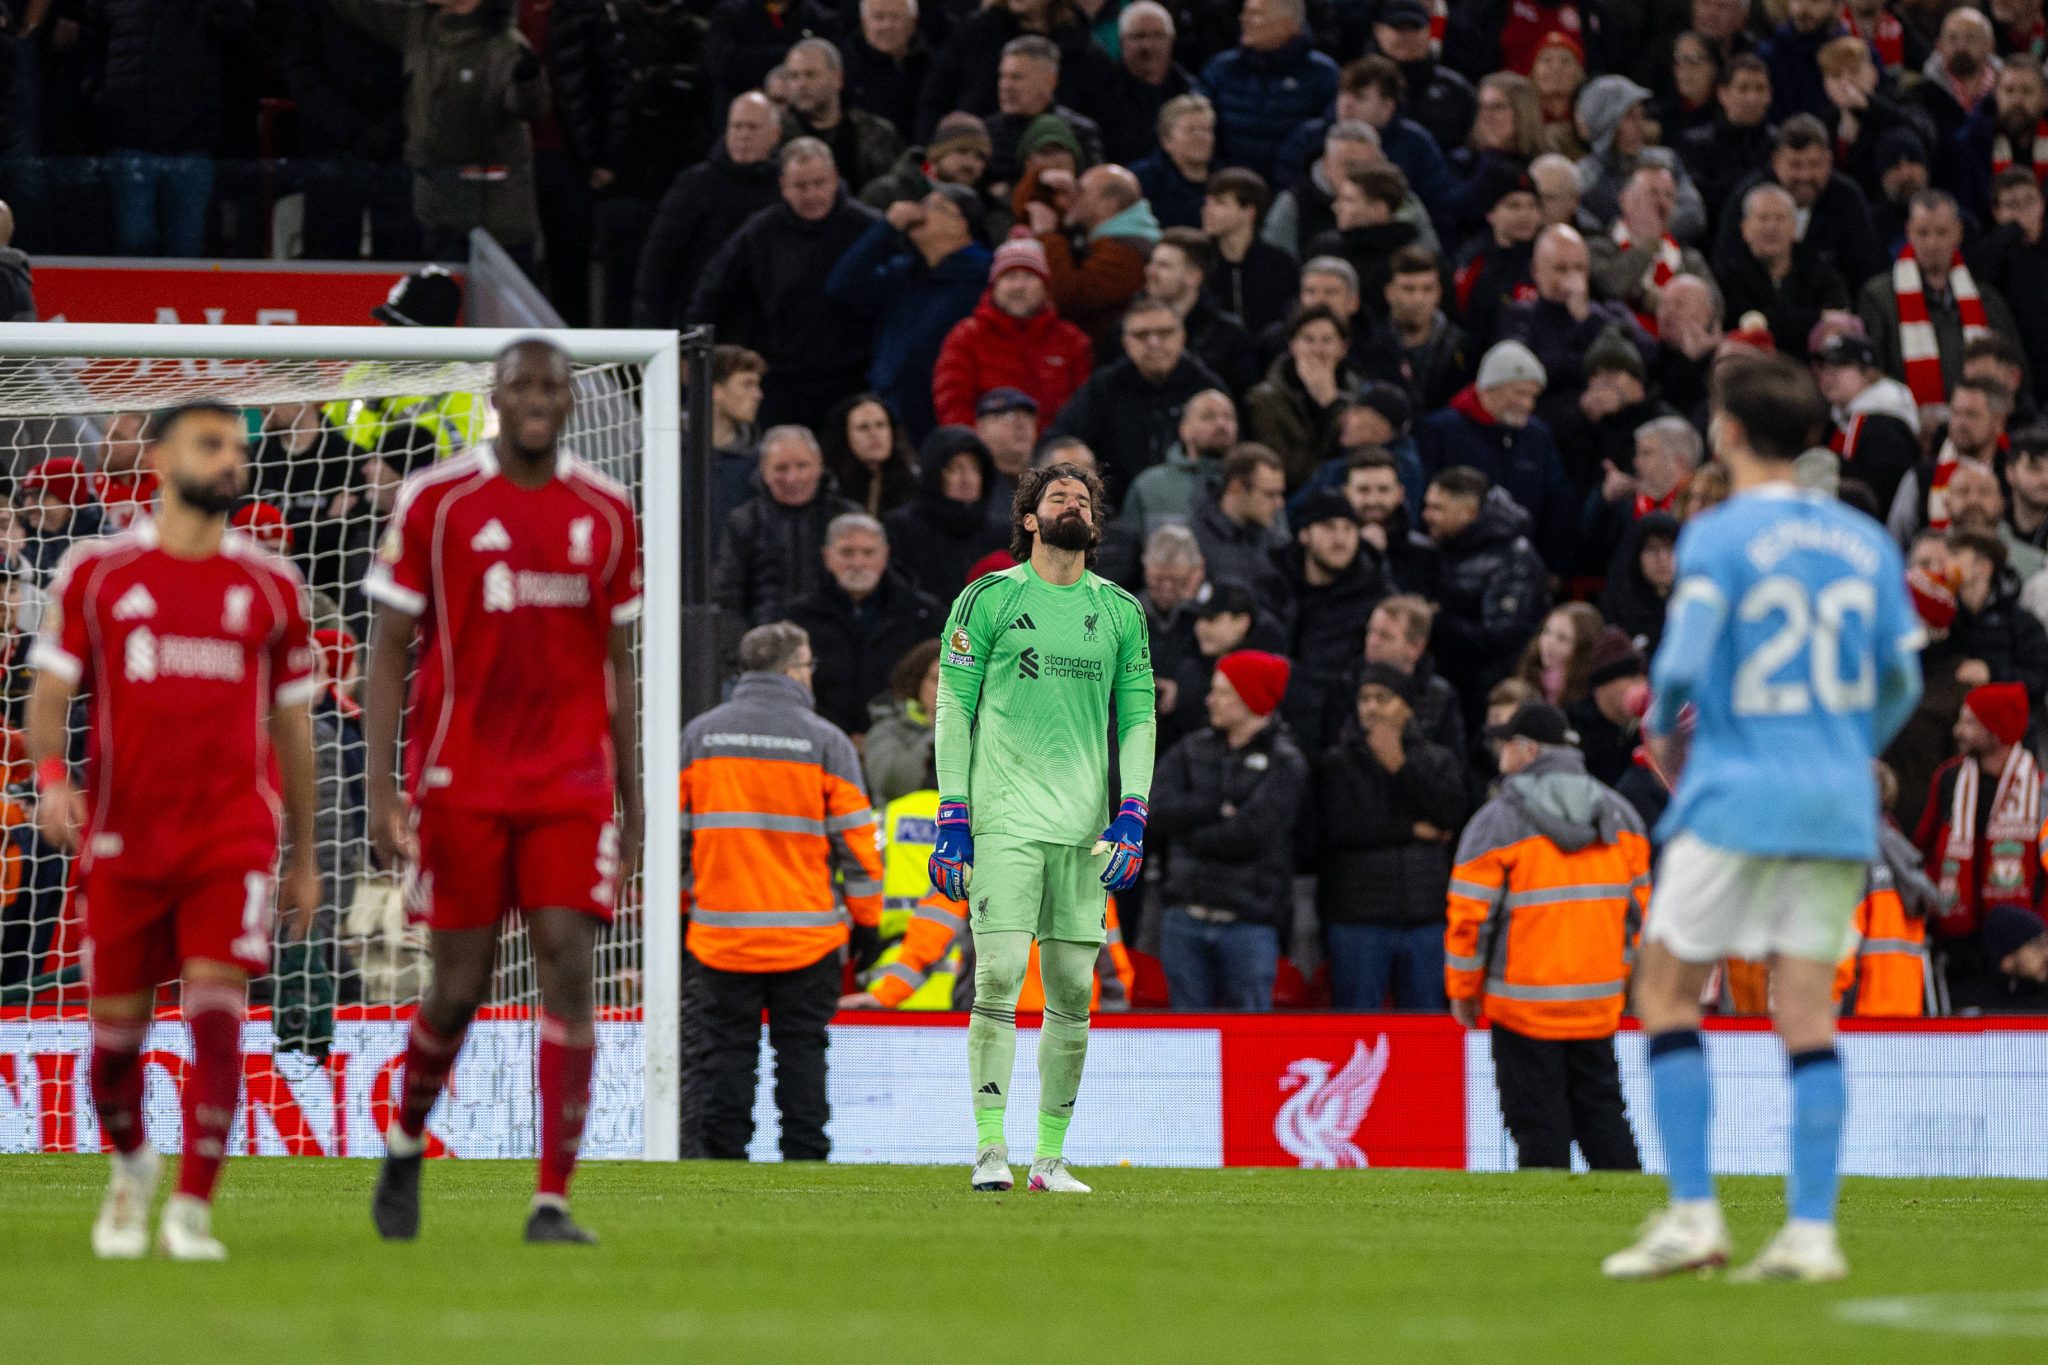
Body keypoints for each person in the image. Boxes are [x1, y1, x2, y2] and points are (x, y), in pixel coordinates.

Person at [1608, 354, 1922, 1282]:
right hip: (1835, 799)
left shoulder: (1717, 535)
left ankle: (1696, 1215)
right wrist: (1844, 740)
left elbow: (1676, 669)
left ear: (1727, 432)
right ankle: (1812, 1232)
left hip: (1738, 790)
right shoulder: (1864, 540)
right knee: (1808, 1008)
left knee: (1665, 990)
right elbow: (1902, 674)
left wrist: (1665, 738)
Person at [363, 339, 643, 1246]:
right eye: (521, 383)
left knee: (569, 963)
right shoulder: (437, 501)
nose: (536, 398)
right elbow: (387, 651)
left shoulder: (605, 510)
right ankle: (406, 1141)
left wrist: (633, 806)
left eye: (552, 386)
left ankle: (552, 1199)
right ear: (496, 395)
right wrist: (378, 790)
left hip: (571, 780)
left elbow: (619, 669)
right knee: (458, 986)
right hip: (462, 779)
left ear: (569, 401)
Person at [28, 400, 317, 1260]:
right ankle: (132, 1163)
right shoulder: (97, 572)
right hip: (124, 838)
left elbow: (294, 730)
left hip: (231, 836)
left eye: (238, 446)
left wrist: (303, 855)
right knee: (112, 1052)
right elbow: (48, 699)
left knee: (218, 1021)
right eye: (211, 442)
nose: (231, 458)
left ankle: (192, 1210)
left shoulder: (271, 585)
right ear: (157, 459)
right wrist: (51, 780)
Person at [929, 460, 1156, 1194]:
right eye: (1057, 496)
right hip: (1002, 823)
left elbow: (1140, 716)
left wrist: (1133, 810)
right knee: (997, 974)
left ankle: (1048, 1157)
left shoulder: (1120, 611)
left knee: (1072, 990)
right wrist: (953, 813)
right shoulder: (987, 598)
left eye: (1083, 498)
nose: (1072, 504)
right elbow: (952, 710)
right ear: (1029, 518)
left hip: (1084, 831)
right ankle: (990, 1147)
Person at [676, 620, 884, 1159]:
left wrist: (683, 912)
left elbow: (674, 841)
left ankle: (723, 1164)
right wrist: (867, 923)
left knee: (725, 1053)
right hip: (806, 937)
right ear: (794, 669)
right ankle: (806, 1158)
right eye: (808, 665)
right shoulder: (826, 742)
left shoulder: (701, 736)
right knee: (802, 1052)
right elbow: (859, 848)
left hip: (721, 936)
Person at [1448, 701, 1650, 1173]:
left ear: (1528, 750)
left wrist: (1463, 991)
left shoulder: (1496, 823)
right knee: (1604, 1117)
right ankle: (1632, 1223)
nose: (1500, 756)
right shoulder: (1621, 815)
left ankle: (1547, 1235)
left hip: (1521, 1005)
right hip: (1597, 1001)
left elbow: (1469, 921)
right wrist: (1621, 979)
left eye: (1505, 746)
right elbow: (1639, 915)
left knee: (1538, 1127)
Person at [332, 0, 549, 265]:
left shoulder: (503, 44)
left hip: (494, 220)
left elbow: (529, 108)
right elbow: (362, 8)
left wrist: (528, 82)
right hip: (434, 210)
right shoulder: (419, 25)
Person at [688, 138, 882, 427]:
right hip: (782, 380)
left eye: (819, 183)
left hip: (853, 379)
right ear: (783, 186)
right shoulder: (760, 231)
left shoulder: (868, 229)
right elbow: (714, 287)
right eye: (801, 187)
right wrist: (693, 350)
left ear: (835, 178)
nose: (812, 195)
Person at [1150, 649, 1304, 1010]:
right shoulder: (1190, 750)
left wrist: (1186, 833)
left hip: (1249, 923)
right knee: (1186, 1044)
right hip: (1184, 918)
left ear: (1250, 699)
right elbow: (1156, 811)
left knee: (1250, 1047)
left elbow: (1251, 835)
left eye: (1221, 692)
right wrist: (1217, 810)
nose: (1209, 700)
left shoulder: (1286, 762)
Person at [1315, 664, 1466, 1010]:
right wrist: (1411, 829)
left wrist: (1399, 765)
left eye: (1382, 698)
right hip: (1358, 918)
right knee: (1357, 1033)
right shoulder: (1338, 762)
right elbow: (1343, 827)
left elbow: (1450, 815)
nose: (1370, 707)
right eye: (1364, 698)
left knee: (1426, 1035)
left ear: (1407, 707)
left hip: (1425, 916)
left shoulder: (1437, 759)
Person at [826, 185, 992, 443]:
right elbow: (842, 287)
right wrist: (886, 229)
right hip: (891, 410)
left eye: (931, 207)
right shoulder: (903, 272)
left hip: (945, 414)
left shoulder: (983, 276)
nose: (918, 213)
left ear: (960, 225)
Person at [1857, 189, 2026, 417]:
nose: (1932, 243)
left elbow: (2013, 367)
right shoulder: (1879, 297)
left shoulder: (1986, 298)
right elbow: (1872, 372)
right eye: (1923, 232)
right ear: (1908, 232)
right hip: (1909, 423)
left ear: (1958, 232)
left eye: (1941, 232)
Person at [1415, 341, 1576, 570]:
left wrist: (1552, 564)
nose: (1528, 404)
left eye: (1533, 396)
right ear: (1488, 388)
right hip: (1450, 563)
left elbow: (1557, 500)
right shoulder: (1441, 430)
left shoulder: (1538, 436)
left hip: (1521, 562)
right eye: (1520, 394)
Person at [633, 92, 785, 330]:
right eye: (737, 127)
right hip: (702, 322)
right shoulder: (694, 185)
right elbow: (658, 262)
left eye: (753, 127)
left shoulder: (785, 188)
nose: (743, 135)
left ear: (775, 134)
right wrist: (651, 330)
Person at [1049, 297, 1226, 499]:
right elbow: (1061, 440)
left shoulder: (1206, 387)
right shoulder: (1103, 388)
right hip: (1113, 512)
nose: (1154, 343)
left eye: (1165, 333)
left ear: (1182, 336)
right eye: (1141, 335)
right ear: (1126, 342)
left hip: (1197, 507)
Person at [785, 513, 942, 738]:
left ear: (885, 554)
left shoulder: (923, 614)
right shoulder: (799, 617)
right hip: (819, 741)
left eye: (868, 552)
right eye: (847, 553)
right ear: (827, 556)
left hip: (902, 743)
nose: (858, 563)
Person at [1422, 466, 1551, 724]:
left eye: (1438, 508)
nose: (1427, 516)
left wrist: (1436, 621)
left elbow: (1501, 636)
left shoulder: (1513, 558)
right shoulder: (1448, 547)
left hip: (1488, 690)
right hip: (1456, 681)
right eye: (1428, 506)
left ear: (1469, 512)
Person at [932, 237, 1094, 431]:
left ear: (1045, 287)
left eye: (1029, 276)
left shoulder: (1071, 340)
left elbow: (1085, 407)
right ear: (994, 286)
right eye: (1010, 276)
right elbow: (952, 403)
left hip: (1056, 454)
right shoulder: (966, 336)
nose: (1019, 286)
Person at [714, 425, 861, 628]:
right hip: (766, 646)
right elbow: (726, 597)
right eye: (781, 468)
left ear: (819, 465)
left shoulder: (849, 517)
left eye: (802, 466)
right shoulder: (743, 521)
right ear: (764, 471)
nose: (792, 478)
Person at [1200, 0, 1340, 184]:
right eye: (1244, 12)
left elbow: (1329, 132)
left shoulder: (1323, 74)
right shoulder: (1221, 68)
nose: (1243, 19)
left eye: (1255, 14)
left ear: (1288, 24)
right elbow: (1198, 119)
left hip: (1293, 190)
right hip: (1228, 188)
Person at [1246, 307, 1359, 491]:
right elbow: (1283, 470)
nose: (1317, 349)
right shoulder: (1264, 400)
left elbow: (1357, 456)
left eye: (1327, 340)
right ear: (1292, 346)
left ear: (1343, 348)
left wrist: (1331, 405)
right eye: (1308, 340)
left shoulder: (1358, 395)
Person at [887, 426, 1006, 597]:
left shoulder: (1001, 532)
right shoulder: (902, 528)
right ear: (933, 473)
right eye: (954, 469)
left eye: (975, 469)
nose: (967, 479)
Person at [1813, 330, 1919, 515]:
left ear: (1869, 373)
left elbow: (1883, 493)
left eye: (1841, 366)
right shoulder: (1838, 420)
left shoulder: (1885, 425)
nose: (1829, 375)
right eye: (1825, 366)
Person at [1144, 228, 1258, 395]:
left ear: (1194, 277)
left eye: (1163, 266)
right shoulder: (1128, 329)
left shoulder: (1230, 335)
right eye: (1151, 263)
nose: (1150, 272)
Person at [1189, 444, 1292, 626]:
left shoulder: (1278, 545)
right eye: (1270, 494)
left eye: (1280, 494)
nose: (1279, 504)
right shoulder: (1194, 540)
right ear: (1236, 488)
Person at [1116, 389, 1239, 539]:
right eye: (1208, 417)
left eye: (1229, 417)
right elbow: (1126, 549)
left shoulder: (1250, 484)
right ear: (1184, 429)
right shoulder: (1149, 486)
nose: (1221, 424)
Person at [1201, 167, 1300, 333]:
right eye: (1207, 202)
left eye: (1220, 203)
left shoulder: (1281, 265)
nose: (1206, 210)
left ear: (1248, 212)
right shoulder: (1200, 258)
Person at [865, 638, 942, 803]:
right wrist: (942, 729)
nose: (946, 688)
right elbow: (893, 782)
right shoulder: (888, 728)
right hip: (902, 826)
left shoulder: (977, 731)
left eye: (957, 682)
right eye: (937, 680)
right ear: (916, 681)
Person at [1130, 92, 1213, 227]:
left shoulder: (1225, 181)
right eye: (1190, 130)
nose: (1201, 137)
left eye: (1206, 130)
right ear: (1166, 139)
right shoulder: (1142, 178)